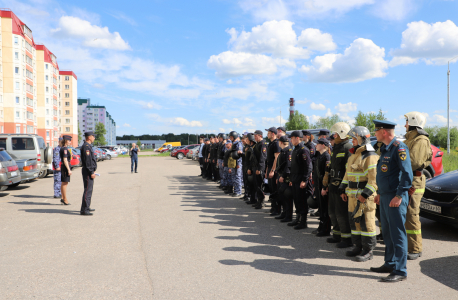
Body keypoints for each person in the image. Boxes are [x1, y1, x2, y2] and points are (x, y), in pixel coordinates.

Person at [370, 120, 413, 283]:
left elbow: (407, 174)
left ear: (384, 132)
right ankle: (390, 263)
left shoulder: (399, 148)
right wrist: (380, 193)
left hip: (396, 197)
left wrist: (400, 195)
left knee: (397, 234)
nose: (375, 134)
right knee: (387, 232)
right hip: (386, 196)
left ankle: (401, 270)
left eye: (377, 131)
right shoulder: (386, 149)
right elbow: (386, 174)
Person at [339, 126, 379, 262]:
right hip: (352, 196)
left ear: (362, 139)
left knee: (366, 223)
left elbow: (374, 180)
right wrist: (342, 188)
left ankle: (368, 250)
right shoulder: (354, 154)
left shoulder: (370, 156)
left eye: (354, 138)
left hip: (364, 197)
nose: (352, 140)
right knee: (354, 222)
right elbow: (347, 174)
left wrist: (365, 194)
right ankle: (358, 247)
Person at [403, 112, 432, 260]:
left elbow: (413, 162)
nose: (405, 125)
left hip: (414, 181)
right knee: (405, 214)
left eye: (407, 122)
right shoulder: (410, 139)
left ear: (414, 122)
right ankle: (407, 245)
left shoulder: (420, 140)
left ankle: (415, 249)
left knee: (411, 214)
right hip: (407, 180)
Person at [324, 122, 353, 248]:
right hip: (333, 185)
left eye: (335, 133)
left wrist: (344, 188)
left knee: (342, 213)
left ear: (341, 133)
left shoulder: (348, 148)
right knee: (333, 212)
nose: (333, 135)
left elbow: (348, 171)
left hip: (342, 186)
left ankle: (346, 239)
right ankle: (336, 235)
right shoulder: (335, 147)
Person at [288, 130, 312, 230]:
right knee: (296, 200)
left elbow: (308, 167)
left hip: (300, 179)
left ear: (297, 138)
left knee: (302, 200)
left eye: (292, 138)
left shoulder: (303, 150)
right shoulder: (295, 149)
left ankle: (303, 221)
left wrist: (304, 180)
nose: (290, 139)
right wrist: (291, 179)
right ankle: (297, 218)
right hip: (294, 179)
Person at [315, 138, 332, 236]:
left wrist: (324, 187)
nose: (316, 145)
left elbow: (327, 173)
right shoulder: (319, 156)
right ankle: (321, 226)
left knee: (325, 209)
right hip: (318, 185)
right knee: (321, 208)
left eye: (318, 144)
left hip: (323, 186)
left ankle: (326, 229)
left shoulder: (326, 156)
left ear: (324, 145)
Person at [80, 131, 98, 216]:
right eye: (93, 136)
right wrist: (91, 172)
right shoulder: (86, 147)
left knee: (89, 190)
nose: (94, 138)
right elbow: (88, 161)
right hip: (88, 171)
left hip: (89, 170)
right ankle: (84, 210)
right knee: (87, 190)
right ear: (89, 137)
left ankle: (87, 206)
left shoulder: (88, 146)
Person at [276, 135, 293, 222]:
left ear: (281, 142)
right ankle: (284, 213)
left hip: (286, 178)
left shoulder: (288, 151)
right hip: (281, 176)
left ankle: (288, 215)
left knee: (287, 197)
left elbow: (288, 166)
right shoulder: (283, 151)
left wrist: (283, 176)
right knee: (282, 196)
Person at [265, 127, 281, 216]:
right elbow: (269, 159)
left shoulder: (276, 143)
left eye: (269, 133)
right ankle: (273, 207)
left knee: (275, 189)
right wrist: (267, 169)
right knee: (271, 188)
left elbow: (277, 157)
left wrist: (272, 170)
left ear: (273, 134)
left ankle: (277, 209)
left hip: (274, 169)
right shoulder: (270, 143)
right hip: (270, 167)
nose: (267, 134)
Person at [250, 130, 267, 208]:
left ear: (260, 136)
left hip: (260, 168)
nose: (254, 137)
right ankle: (259, 200)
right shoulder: (257, 144)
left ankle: (261, 201)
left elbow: (262, 158)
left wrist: (259, 169)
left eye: (256, 135)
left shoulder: (263, 144)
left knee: (260, 185)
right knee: (256, 185)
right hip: (255, 167)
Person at [228, 131, 243, 197]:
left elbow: (239, 154)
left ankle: (238, 191)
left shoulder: (238, 144)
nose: (230, 138)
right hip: (233, 163)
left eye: (231, 137)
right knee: (234, 177)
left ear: (234, 137)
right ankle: (235, 190)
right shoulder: (233, 143)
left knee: (237, 177)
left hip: (237, 163)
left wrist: (238, 164)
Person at [59, 135, 73, 205]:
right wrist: (69, 170)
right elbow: (65, 160)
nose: (70, 142)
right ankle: (65, 199)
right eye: (69, 140)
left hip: (64, 167)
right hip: (65, 167)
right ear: (66, 141)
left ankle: (62, 198)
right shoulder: (64, 149)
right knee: (65, 183)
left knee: (63, 183)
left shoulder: (64, 148)